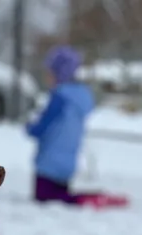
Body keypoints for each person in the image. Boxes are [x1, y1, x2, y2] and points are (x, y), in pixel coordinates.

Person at [25, 45, 98, 205]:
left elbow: (44, 125)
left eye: (50, 72)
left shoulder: (60, 98)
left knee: (46, 199)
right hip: (68, 163)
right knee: (60, 197)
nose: (47, 76)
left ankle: (86, 200)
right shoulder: (79, 98)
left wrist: (30, 128)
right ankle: (83, 200)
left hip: (49, 163)